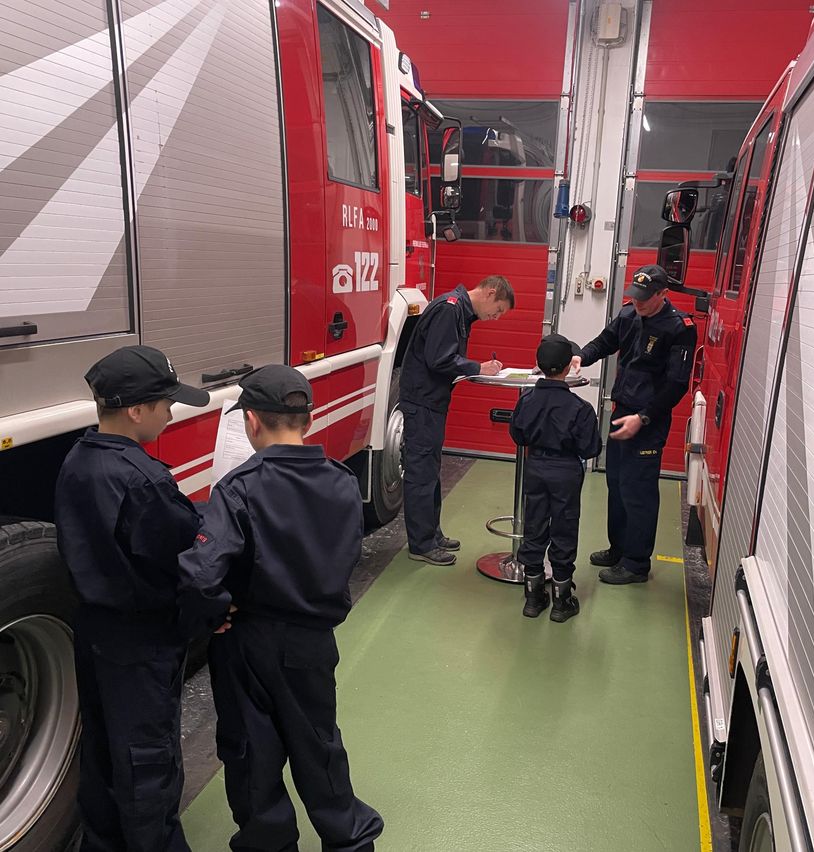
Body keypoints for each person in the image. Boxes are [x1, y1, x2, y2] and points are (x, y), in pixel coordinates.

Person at [177, 365, 383, 852]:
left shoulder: (239, 487)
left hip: (248, 640)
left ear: (250, 422)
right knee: (319, 745)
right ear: (308, 421)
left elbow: (199, 574)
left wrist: (216, 613)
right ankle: (350, 840)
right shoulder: (341, 481)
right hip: (313, 642)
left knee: (251, 753)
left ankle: (268, 842)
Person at [54, 345, 210, 851]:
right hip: (142, 644)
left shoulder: (78, 459)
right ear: (136, 411)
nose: (170, 413)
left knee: (101, 751)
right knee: (148, 763)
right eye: (166, 403)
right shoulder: (144, 480)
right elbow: (184, 556)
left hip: (95, 632)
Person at [570, 264, 697, 584]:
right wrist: (581, 357)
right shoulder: (629, 315)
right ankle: (619, 548)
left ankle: (637, 562)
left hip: (648, 418)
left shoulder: (679, 327)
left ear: (663, 294)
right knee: (616, 483)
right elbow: (604, 342)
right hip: (622, 411)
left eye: (644, 298)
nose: (637, 302)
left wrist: (643, 418)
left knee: (638, 490)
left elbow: (676, 384)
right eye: (634, 296)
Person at [400, 274, 515, 565]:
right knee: (421, 472)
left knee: (431, 469)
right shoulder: (450, 309)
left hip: (431, 402)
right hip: (422, 402)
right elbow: (439, 359)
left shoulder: (460, 312)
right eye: (498, 310)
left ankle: (432, 533)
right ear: (490, 293)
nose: (495, 317)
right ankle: (421, 544)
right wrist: (478, 366)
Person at [510, 335, 602, 621]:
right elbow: (591, 448)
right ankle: (562, 600)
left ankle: (533, 597)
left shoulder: (526, 401)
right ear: (567, 368)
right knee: (564, 528)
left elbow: (517, 434)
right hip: (566, 473)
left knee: (534, 526)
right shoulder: (580, 409)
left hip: (535, 468)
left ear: (538, 365)